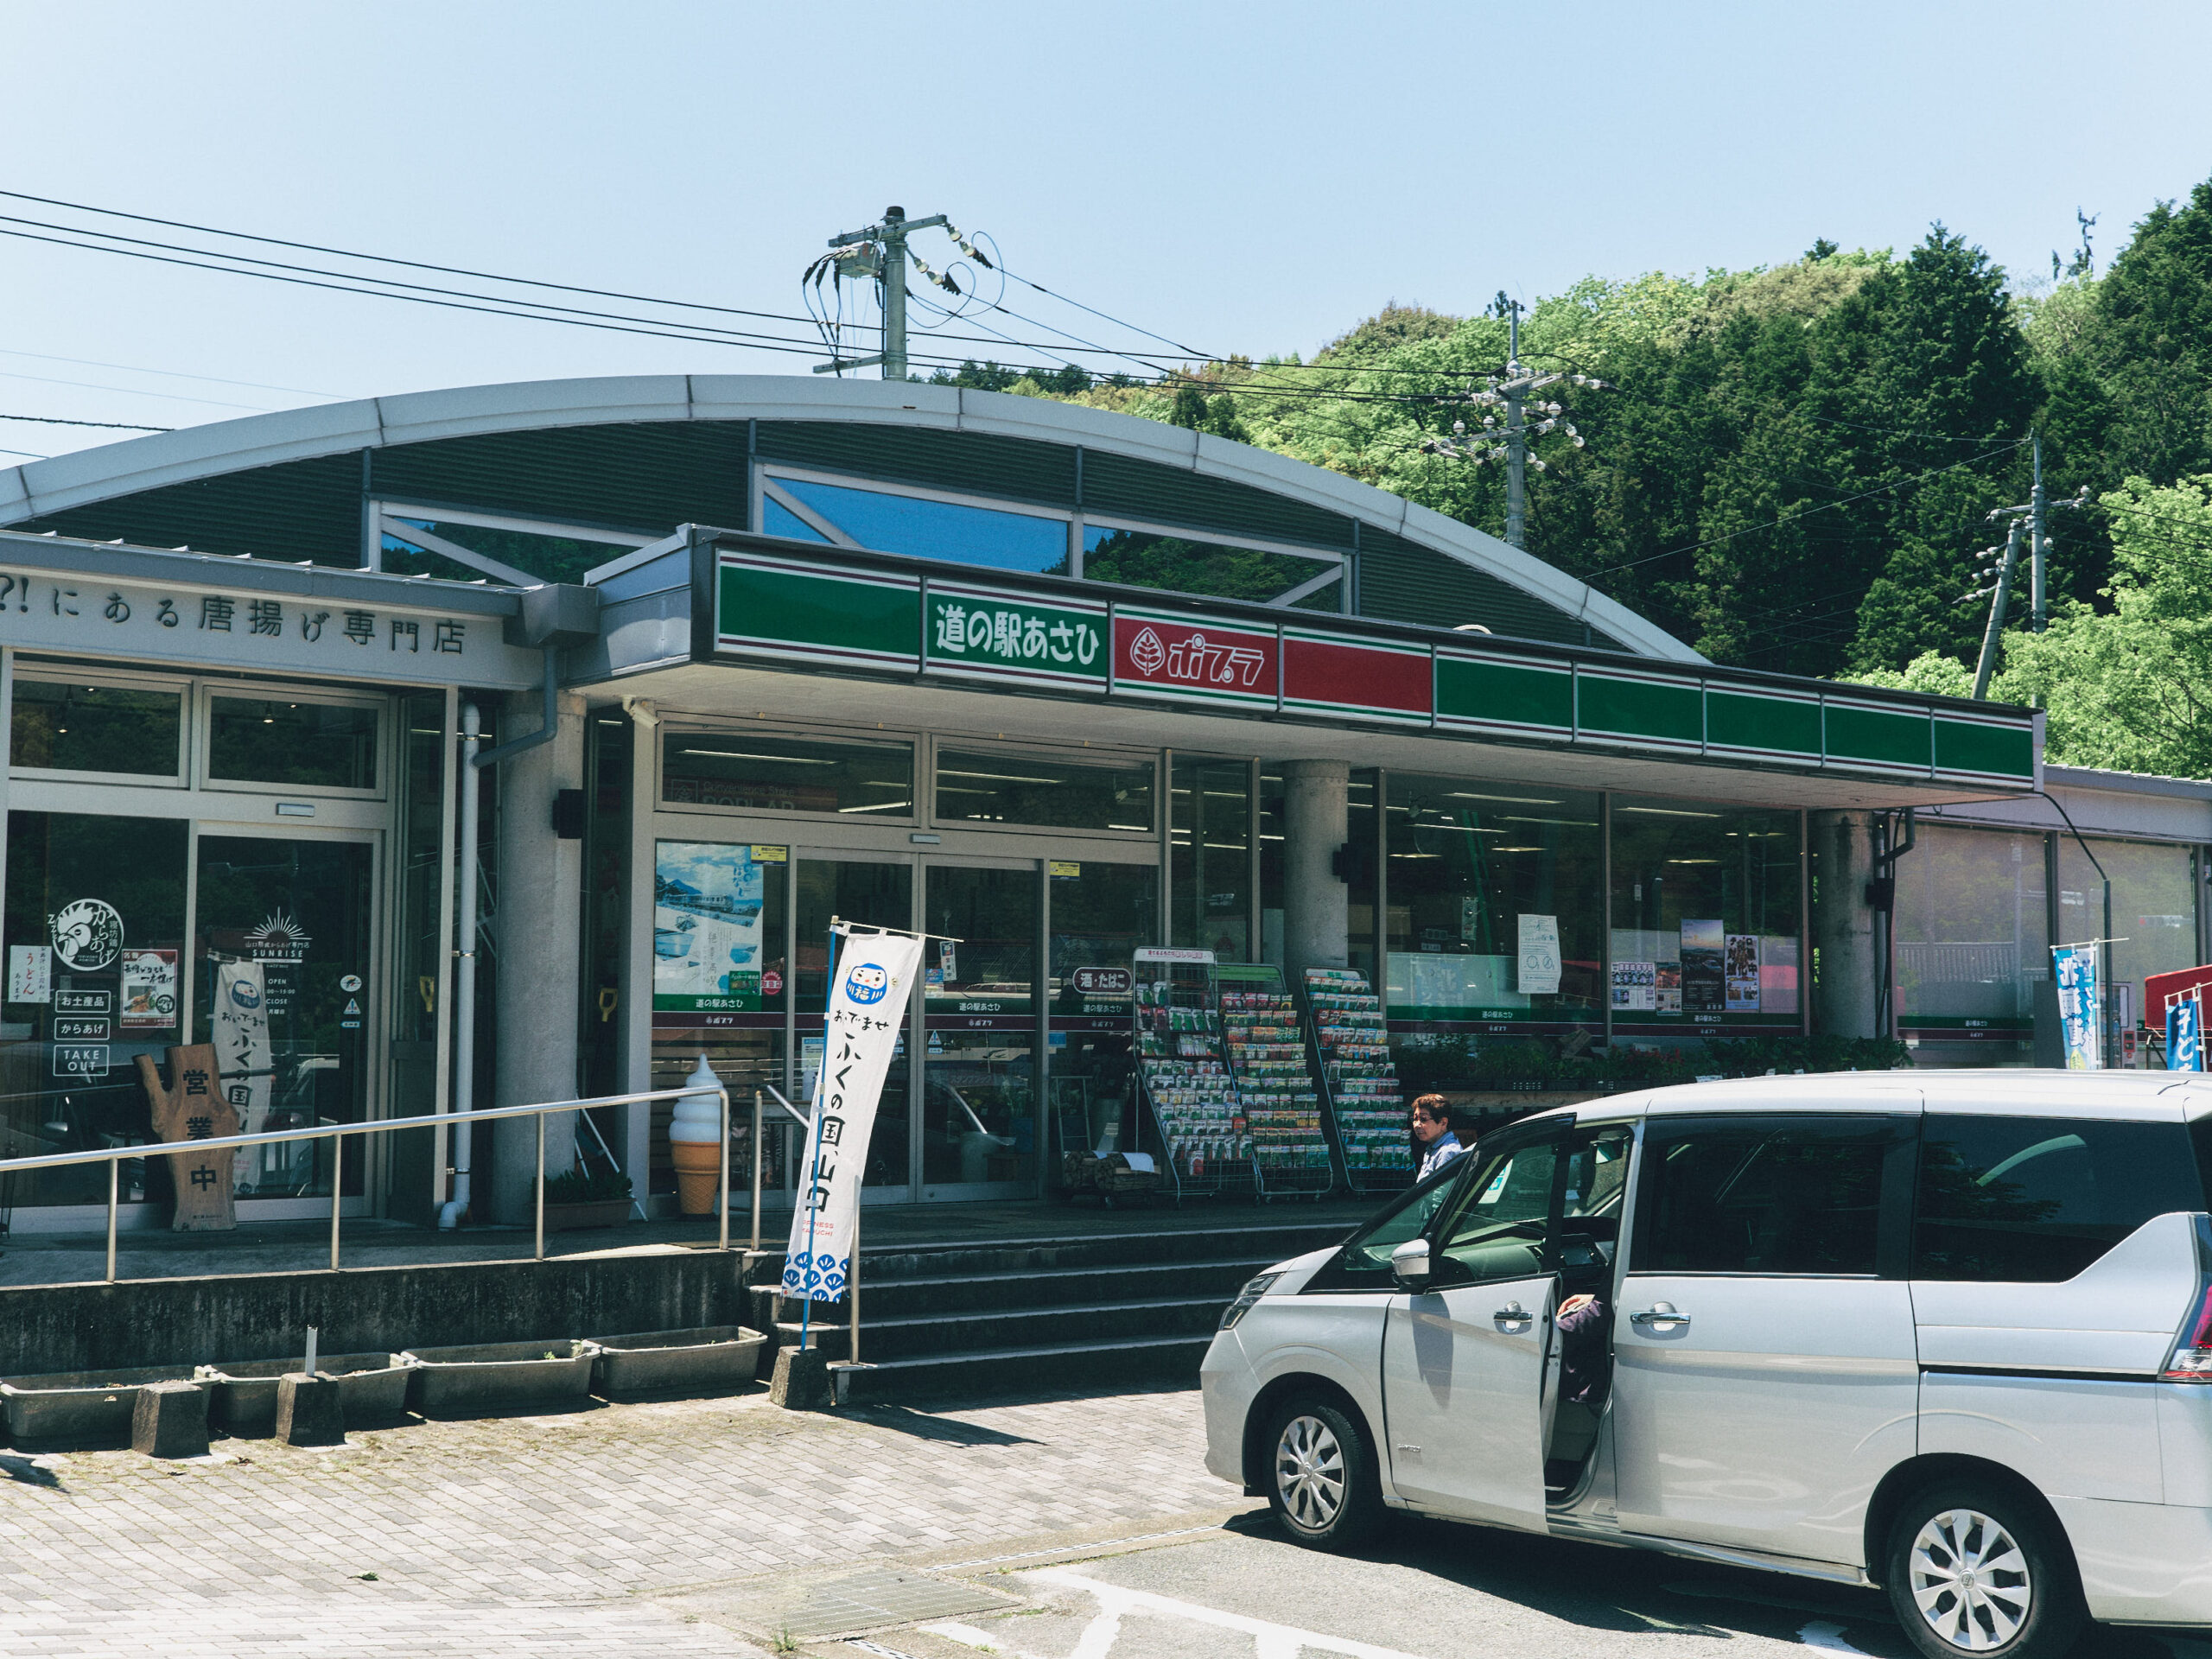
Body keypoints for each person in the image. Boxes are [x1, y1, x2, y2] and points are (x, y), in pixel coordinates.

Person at [1409, 1095, 1465, 1181]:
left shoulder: (1447, 1153)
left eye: (1423, 1119)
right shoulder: (1433, 1149)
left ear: (1443, 1123)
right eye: (1415, 1119)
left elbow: (1440, 1193)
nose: (1417, 1125)